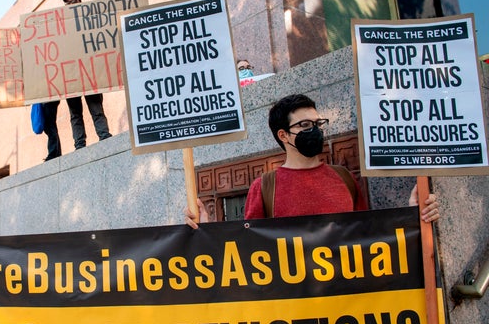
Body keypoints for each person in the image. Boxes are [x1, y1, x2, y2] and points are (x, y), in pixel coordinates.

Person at [186, 93, 439, 227]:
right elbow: (248, 251)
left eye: (318, 123)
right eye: (305, 125)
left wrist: (413, 215)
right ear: (283, 135)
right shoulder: (264, 188)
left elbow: (368, 236)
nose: (316, 130)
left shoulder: (345, 179)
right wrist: (207, 231)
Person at [62, 0, 112, 149]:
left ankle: (104, 136)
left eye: (72, 2)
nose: (70, 6)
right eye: (67, 4)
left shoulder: (90, 22)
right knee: (75, 114)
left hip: (89, 74)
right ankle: (79, 144)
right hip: (71, 77)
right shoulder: (62, 27)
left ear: (79, 1)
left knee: (96, 108)